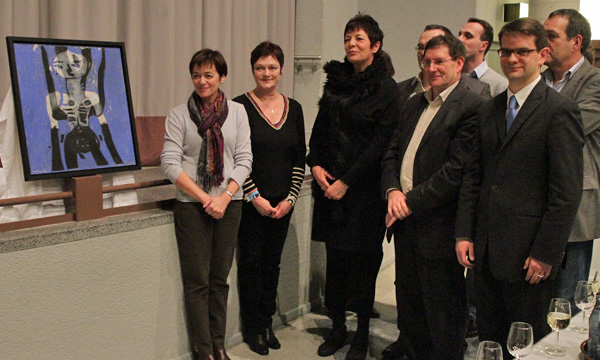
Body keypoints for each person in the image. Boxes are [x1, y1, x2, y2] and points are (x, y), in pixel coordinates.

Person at [455, 18, 583, 359]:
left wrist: (545, 253)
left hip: (529, 256)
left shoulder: (560, 111)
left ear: (541, 55)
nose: (512, 59)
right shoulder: (489, 109)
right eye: (506, 51)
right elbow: (474, 177)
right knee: (491, 339)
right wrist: (464, 233)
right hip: (485, 251)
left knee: (527, 344)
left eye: (522, 52)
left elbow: (566, 193)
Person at [381, 34, 483, 360]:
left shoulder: (470, 106)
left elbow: (454, 172)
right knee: (410, 302)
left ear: (458, 63)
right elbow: (391, 154)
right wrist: (393, 192)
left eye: (440, 61)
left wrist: (407, 202)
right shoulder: (414, 103)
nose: (432, 67)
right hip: (405, 221)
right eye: (427, 61)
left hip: (438, 225)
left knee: (444, 311)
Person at [306, 13, 400, 360]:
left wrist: (346, 181)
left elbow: (381, 145)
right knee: (336, 264)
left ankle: (361, 333)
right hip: (330, 190)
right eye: (348, 38)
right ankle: (336, 328)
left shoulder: (387, 89)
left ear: (375, 46)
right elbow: (319, 132)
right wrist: (314, 164)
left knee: (363, 265)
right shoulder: (335, 84)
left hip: (363, 194)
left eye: (359, 38)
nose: (351, 44)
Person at [161, 49, 252, 360]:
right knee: (197, 282)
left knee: (219, 280)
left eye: (209, 75)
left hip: (230, 203)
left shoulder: (238, 113)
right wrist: (205, 198)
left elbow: (244, 160)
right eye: (197, 75)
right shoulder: (178, 115)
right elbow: (170, 164)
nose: (202, 81)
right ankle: (204, 352)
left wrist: (224, 196)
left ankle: (219, 345)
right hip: (191, 205)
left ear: (222, 77)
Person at [233, 41, 306, 356]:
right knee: (251, 264)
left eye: (272, 67)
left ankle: (266, 323)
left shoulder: (296, 108)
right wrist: (255, 197)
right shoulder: (238, 107)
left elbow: (298, 159)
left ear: (281, 69)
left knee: (272, 264)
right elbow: (234, 157)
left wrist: (290, 199)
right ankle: (252, 329)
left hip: (283, 203)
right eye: (260, 67)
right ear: (253, 70)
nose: (266, 73)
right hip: (252, 204)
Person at [542, 9, 600, 313]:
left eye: (551, 36)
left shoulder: (595, 82)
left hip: (575, 204)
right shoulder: (540, 79)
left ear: (576, 41)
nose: (544, 42)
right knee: (538, 295)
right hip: (536, 200)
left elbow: (571, 129)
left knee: (566, 300)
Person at [397, 24, 491, 110]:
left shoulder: (476, 91)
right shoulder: (401, 90)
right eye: (421, 47)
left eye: (434, 45)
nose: (424, 53)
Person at [458, 18, 509, 96]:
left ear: (483, 46)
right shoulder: (451, 76)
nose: (460, 39)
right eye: (460, 34)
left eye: (468, 36)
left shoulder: (499, 85)